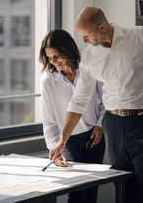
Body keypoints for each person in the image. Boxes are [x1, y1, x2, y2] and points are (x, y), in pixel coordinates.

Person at [49, 7, 143, 203]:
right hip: (113, 125)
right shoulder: (89, 56)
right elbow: (79, 100)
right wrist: (62, 140)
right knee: (122, 188)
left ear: (102, 27)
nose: (84, 41)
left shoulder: (138, 36)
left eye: (87, 36)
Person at [39, 29, 106, 203]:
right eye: (49, 58)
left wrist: (100, 125)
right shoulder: (48, 80)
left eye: (57, 56)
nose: (54, 62)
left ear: (67, 50)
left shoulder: (88, 68)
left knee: (92, 190)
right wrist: (55, 147)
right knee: (76, 192)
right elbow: (49, 121)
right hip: (67, 141)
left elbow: (105, 100)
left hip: (94, 136)